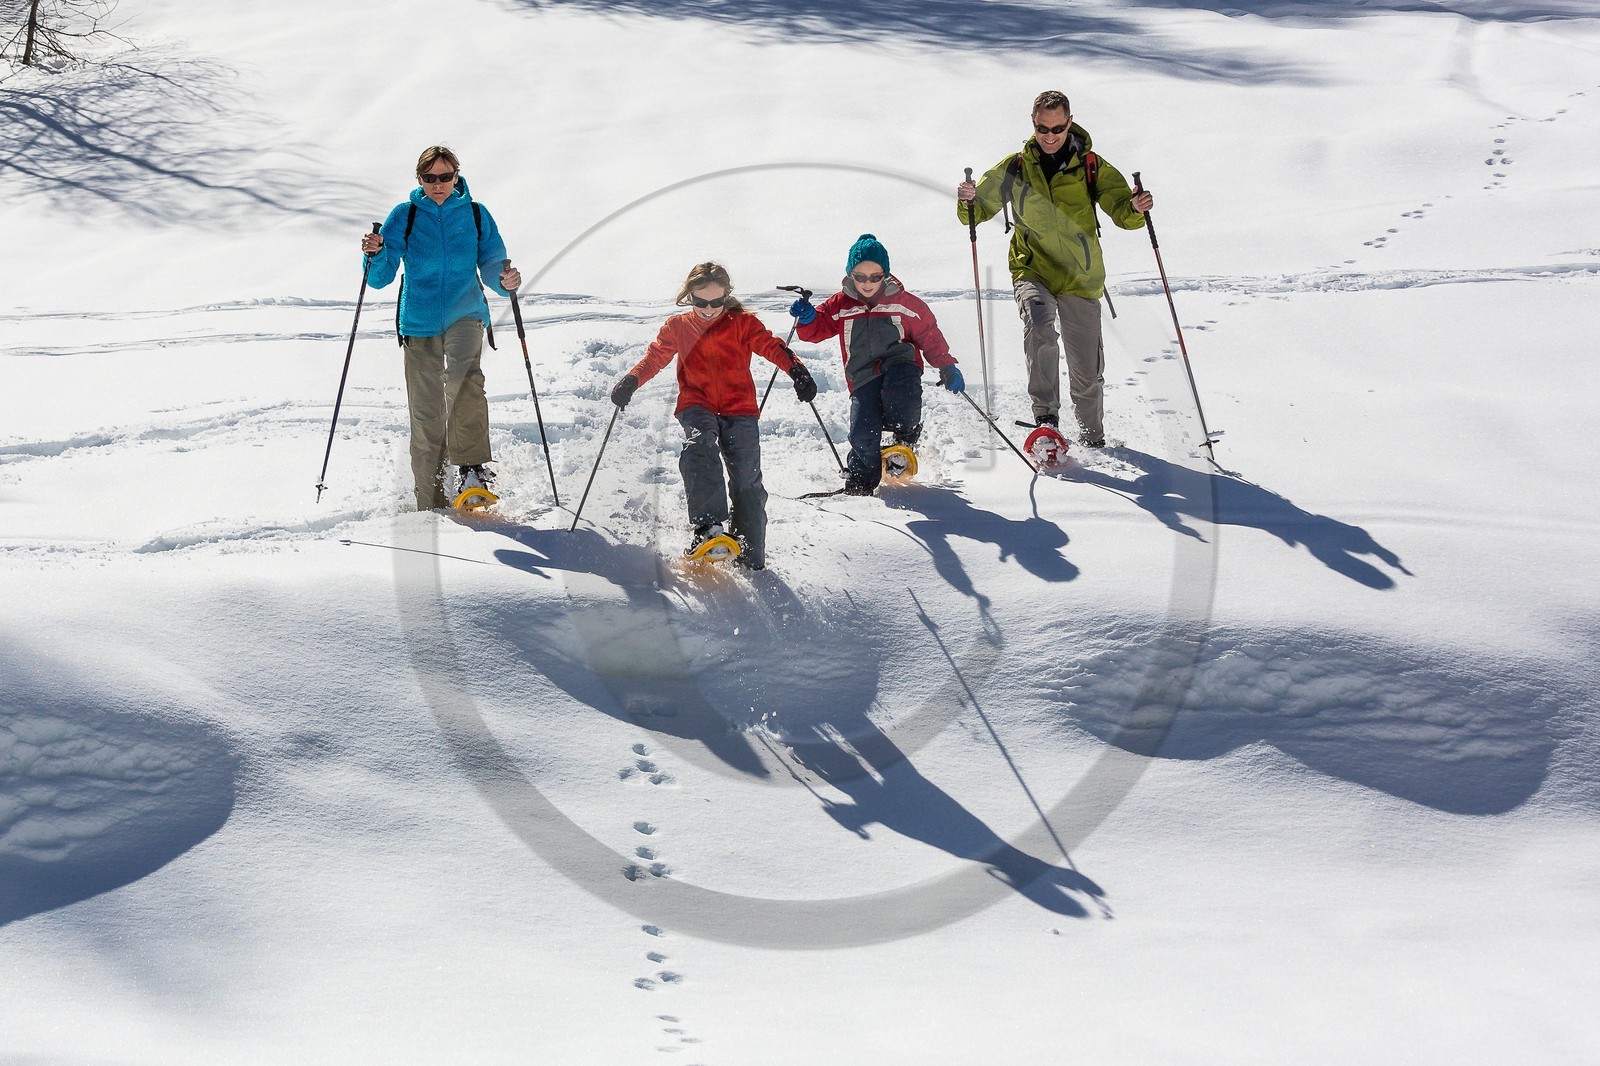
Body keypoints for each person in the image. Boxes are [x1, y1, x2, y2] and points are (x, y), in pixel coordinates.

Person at [957, 90, 1152, 447]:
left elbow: (1122, 211)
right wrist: (968, 199)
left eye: (1057, 128)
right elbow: (976, 208)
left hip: (1081, 275)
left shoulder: (1091, 165)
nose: (1050, 136)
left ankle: (1093, 437)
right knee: (1039, 322)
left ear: (1070, 123)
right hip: (1032, 268)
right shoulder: (1015, 166)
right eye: (1042, 128)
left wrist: (1137, 208)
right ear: (1033, 125)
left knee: (1086, 371)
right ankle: (1046, 421)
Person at [609, 262, 816, 570]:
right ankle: (708, 529)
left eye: (716, 302)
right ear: (689, 297)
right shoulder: (678, 327)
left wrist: (797, 370)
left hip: (740, 408)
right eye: (700, 302)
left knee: (747, 480)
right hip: (697, 403)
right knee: (700, 443)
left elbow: (772, 347)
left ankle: (749, 554)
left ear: (726, 297)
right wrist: (632, 380)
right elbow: (655, 357)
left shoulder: (742, 324)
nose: (708, 309)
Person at [360, 146, 521, 510]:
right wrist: (375, 252)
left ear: (456, 176)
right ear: (419, 179)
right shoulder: (405, 215)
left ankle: (472, 470)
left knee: (465, 381)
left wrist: (505, 279)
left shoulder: (476, 214)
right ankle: (429, 496)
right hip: (419, 319)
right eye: (430, 178)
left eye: (445, 177)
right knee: (426, 408)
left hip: (466, 312)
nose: (438, 184)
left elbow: (493, 261)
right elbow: (381, 277)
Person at [789, 234, 963, 496]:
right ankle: (860, 483)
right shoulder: (840, 304)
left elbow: (928, 333)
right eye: (860, 276)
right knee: (862, 432)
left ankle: (904, 437)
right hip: (862, 375)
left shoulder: (904, 302)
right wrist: (808, 318)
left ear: (885, 274)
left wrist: (946, 364)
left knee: (901, 391)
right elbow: (815, 330)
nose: (867, 283)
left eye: (874, 276)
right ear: (850, 275)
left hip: (900, 363)